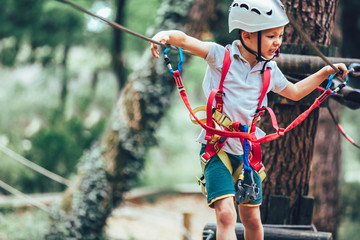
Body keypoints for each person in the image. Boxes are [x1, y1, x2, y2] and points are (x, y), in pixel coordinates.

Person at [150, 0, 348, 239]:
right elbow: (183, 40)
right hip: (217, 149)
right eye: (272, 36)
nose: (278, 42)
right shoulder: (219, 56)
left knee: (253, 219)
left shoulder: (269, 70)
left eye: (280, 36)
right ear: (247, 35)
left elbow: (295, 92)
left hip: (247, 152)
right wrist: (164, 35)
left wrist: (325, 72)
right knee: (225, 215)